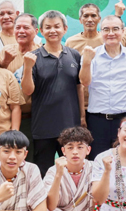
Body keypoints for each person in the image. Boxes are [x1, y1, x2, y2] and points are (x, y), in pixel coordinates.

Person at [23, 10, 84, 173]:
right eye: (48, 27)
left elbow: (79, 86)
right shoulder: (33, 57)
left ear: (65, 28)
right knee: (44, 171)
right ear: (41, 31)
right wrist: (28, 68)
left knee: (72, 170)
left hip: (70, 126)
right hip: (44, 128)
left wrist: (82, 117)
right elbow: (27, 91)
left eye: (57, 26)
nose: (53, 31)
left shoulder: (74, 55)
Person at [81, 15, 126, 158]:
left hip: (125, 120)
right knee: (97, 162)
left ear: (123, 31)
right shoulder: (91, 55)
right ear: (101, 32)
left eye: (115, 29)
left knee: (125, 161)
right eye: (106, 29)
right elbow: (84, 82)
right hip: (97, 120)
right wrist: (86, 62)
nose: (111, 33)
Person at [0, 15, 38, 137]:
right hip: (8, 117)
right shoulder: (6, 51)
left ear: (36, 31)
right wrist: (5, 62)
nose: (21, 31)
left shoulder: (41, 53)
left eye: (26, 27)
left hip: (34, 117)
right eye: (18, 28)